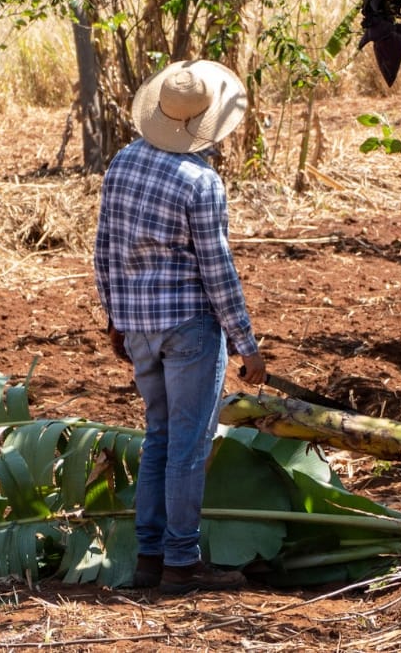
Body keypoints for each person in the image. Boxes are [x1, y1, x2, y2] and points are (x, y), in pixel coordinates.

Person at [93, 59, 267, 594]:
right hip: (188, 327)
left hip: (140, 326)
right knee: (189, 446)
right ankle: (181, 564)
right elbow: (218, 272)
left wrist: (115, 319)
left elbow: (104, 249)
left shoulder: (123, 162)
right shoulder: (200, 181)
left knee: (160, 438)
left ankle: (151, 557)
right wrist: (247, 344)